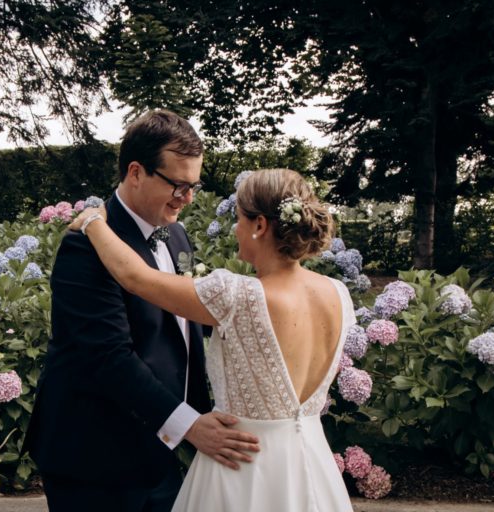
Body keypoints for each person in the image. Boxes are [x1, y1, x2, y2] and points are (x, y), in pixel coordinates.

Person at [70, 168, 356, 511]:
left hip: (242, 464)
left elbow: (135, 277)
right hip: (310, 462)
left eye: (239, 219)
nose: (235, 230)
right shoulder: (338, 294)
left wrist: (92, 223)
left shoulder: (237, 294)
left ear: (260, 226)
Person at [24, 110, 259, 512]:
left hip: (159, 449)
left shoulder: (177, 236)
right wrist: (189, 426)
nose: (186, 199)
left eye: (193, 187)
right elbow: (107, 356)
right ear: (136, 172)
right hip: (94, 457)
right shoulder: (85, 245)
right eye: (177, 185)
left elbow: (183, 332)